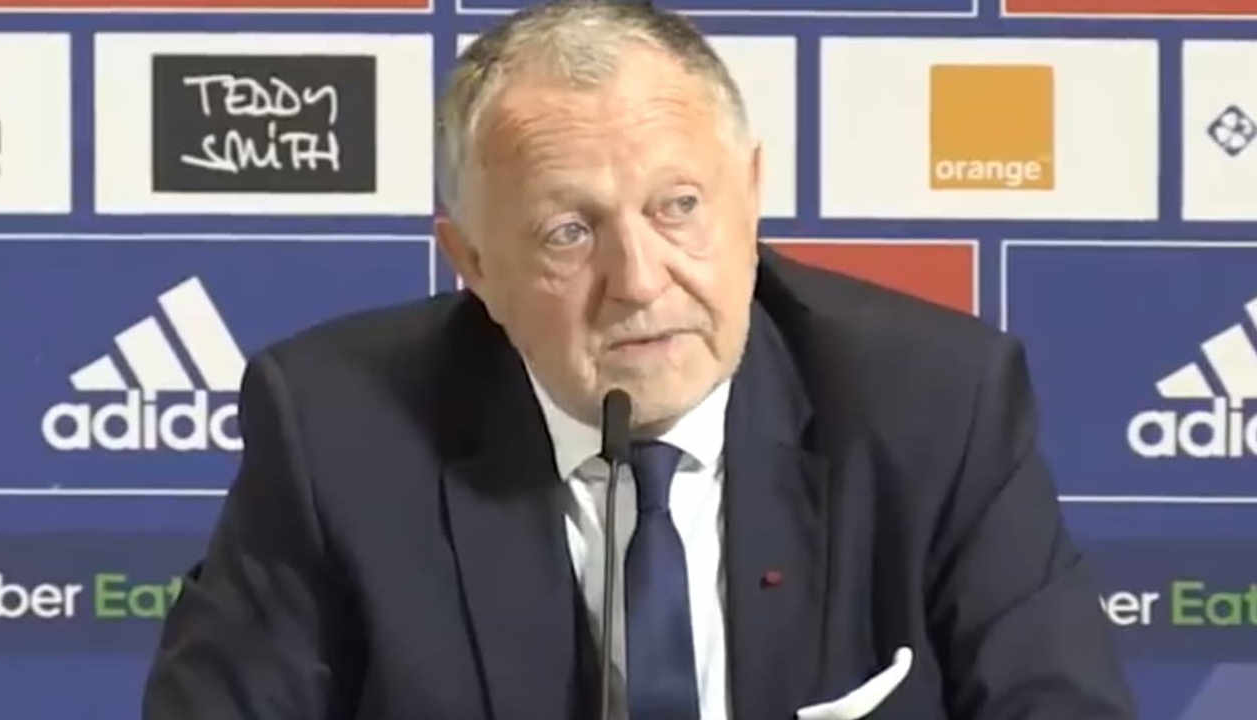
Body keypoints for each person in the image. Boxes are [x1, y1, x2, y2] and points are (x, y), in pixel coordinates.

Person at [141, 2, 1136, 718]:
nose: (639, 280)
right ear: (473, 264)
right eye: (569, 233)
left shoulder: (935, 405)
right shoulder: (336, 432)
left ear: (751, 195)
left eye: (678, 207)